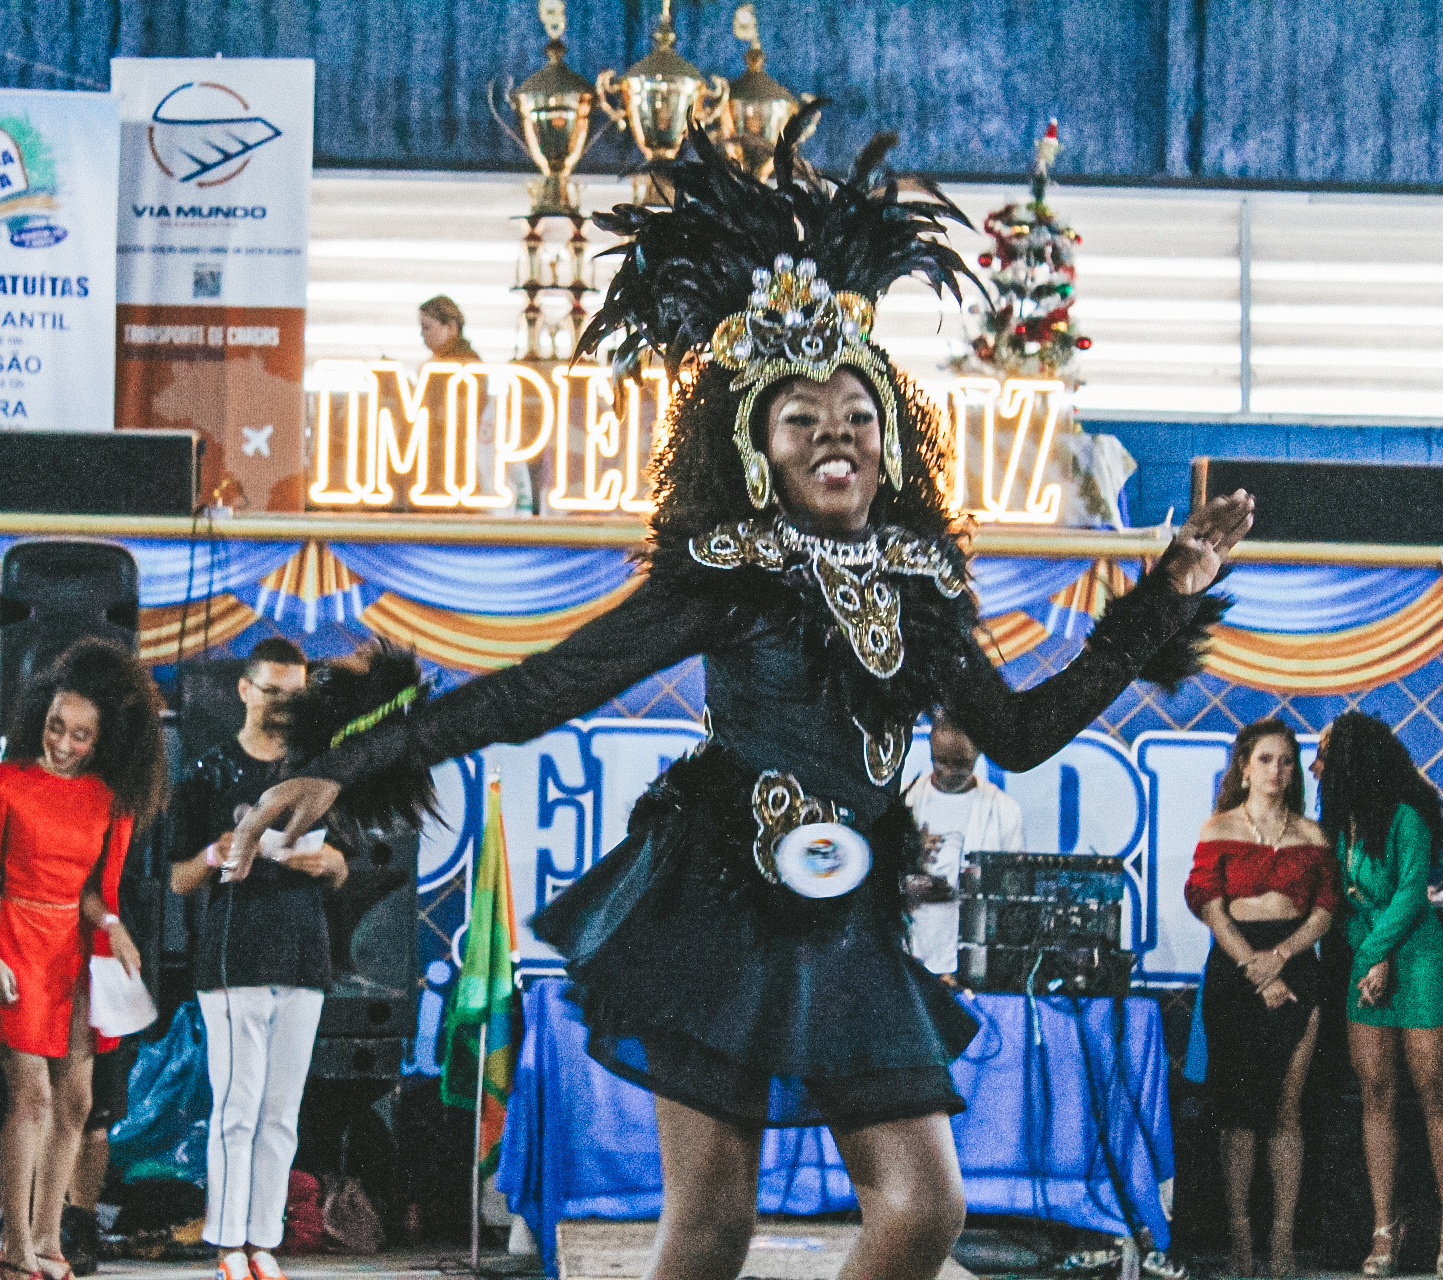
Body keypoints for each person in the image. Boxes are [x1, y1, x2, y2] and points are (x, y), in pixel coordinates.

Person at [233, 116, 1251, 1280]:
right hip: (716, 901)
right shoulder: (725, 572)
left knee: (925, 1206)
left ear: (890, 441)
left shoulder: (921, 583)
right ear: (758, 448)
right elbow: (546, 688)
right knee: (711, 1224)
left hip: (852, 915)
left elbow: (1021, 733)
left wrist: (1166, 594)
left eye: (857, 415)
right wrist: (346, 763)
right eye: (801, 419)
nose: (835, 435)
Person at [167, 638, 350, 1280]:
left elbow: (345, 866)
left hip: (303, 954)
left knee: (281, 1113)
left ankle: (264, 1241)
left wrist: (325, 860)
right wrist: (218, 852)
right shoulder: (210, 772)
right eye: (271, 691)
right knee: (237, 1107)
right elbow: (177, 879)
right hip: (233, 957)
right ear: (244, 690)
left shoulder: (315, 772)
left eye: (293, 694)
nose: (282, 705)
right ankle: (227, 1243)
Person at [0, 639, 166, 1280]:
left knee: (75, 1104)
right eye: (55, 726)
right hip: (15, 941)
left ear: (102, 741)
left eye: (80, 735)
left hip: (72, 951)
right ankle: (14, 1245)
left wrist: (113, 927)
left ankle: (49, 1242)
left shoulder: (105, 799)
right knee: (31, 1100)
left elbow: (91, 890)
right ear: (39, 717)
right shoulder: (10, 782)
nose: (62, 744)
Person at [1184, 718, 1336, 1277]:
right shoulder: (1218, 826)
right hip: (1235, 969)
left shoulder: (1312, 835)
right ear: (1245, 768)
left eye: (1287, 761)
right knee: (1239, 1110)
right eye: (1266, 759)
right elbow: (1209, 905)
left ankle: (1282, 1237)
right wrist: (1257, 969)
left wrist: (1283, 957)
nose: (1277, 770)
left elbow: (1325, 910)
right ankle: (1241, 1235)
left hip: (1297, 967)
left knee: (1286, 1108)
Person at [1317, 712, 1443, 1279]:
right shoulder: (1339, 825)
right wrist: (1370, 956)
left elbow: (1411, 896)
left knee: (1434, 1095)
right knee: (1376, 1095)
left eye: (1325, 754)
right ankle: (1383, 1230)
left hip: (1418, 963)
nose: (1316, 766)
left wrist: (1375, 956)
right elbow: (1346, 907)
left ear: (1352, 760)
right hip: (1370, 964)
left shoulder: (1407, 818)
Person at [905, 710, 1024, 981]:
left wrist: (974, 886)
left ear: (978, 754)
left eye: (960, 763)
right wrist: (911, 860)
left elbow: (1016, 893)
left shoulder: (1004, 810)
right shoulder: (906, 802)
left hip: (974, 964)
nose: (948, 771)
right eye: (940, 761)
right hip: (913, 958)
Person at [418, 295, 481, 363]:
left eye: (426, 327)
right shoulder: (435, 362)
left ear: (451, 327)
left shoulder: (466, 363)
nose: (422, 334)